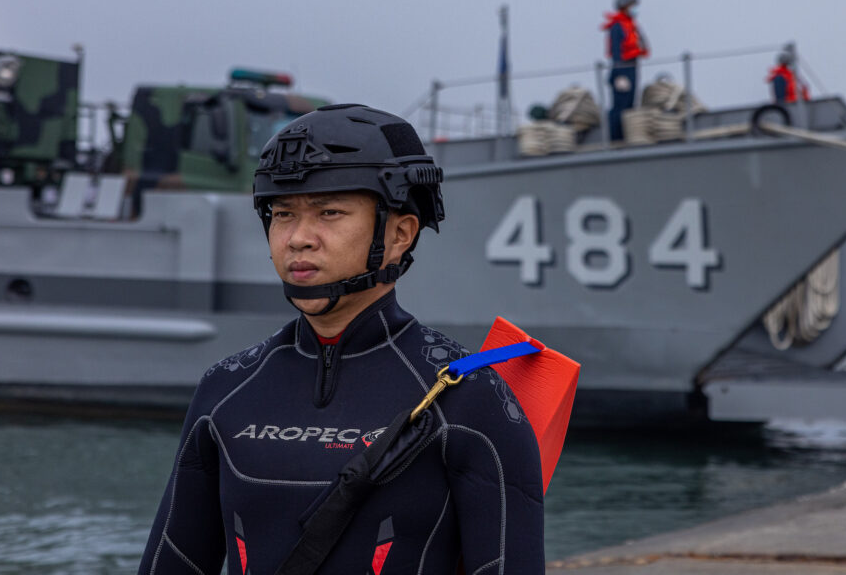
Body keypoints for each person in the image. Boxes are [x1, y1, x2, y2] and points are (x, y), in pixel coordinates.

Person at [138, 104, 545, 575]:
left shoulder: (470, 398)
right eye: (283, 213)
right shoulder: (224, 390)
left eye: (329, 212)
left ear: (399, 234)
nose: (298, 238)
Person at [601, 0, 649, 141]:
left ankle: (628, 135)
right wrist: (619, 74)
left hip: (632, 67)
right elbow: (616, 51)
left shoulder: (632, 25)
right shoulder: (617, 27)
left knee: (630, 103)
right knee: (620, 105)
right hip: (622, 69)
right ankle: (615, 139)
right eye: (632, 5)